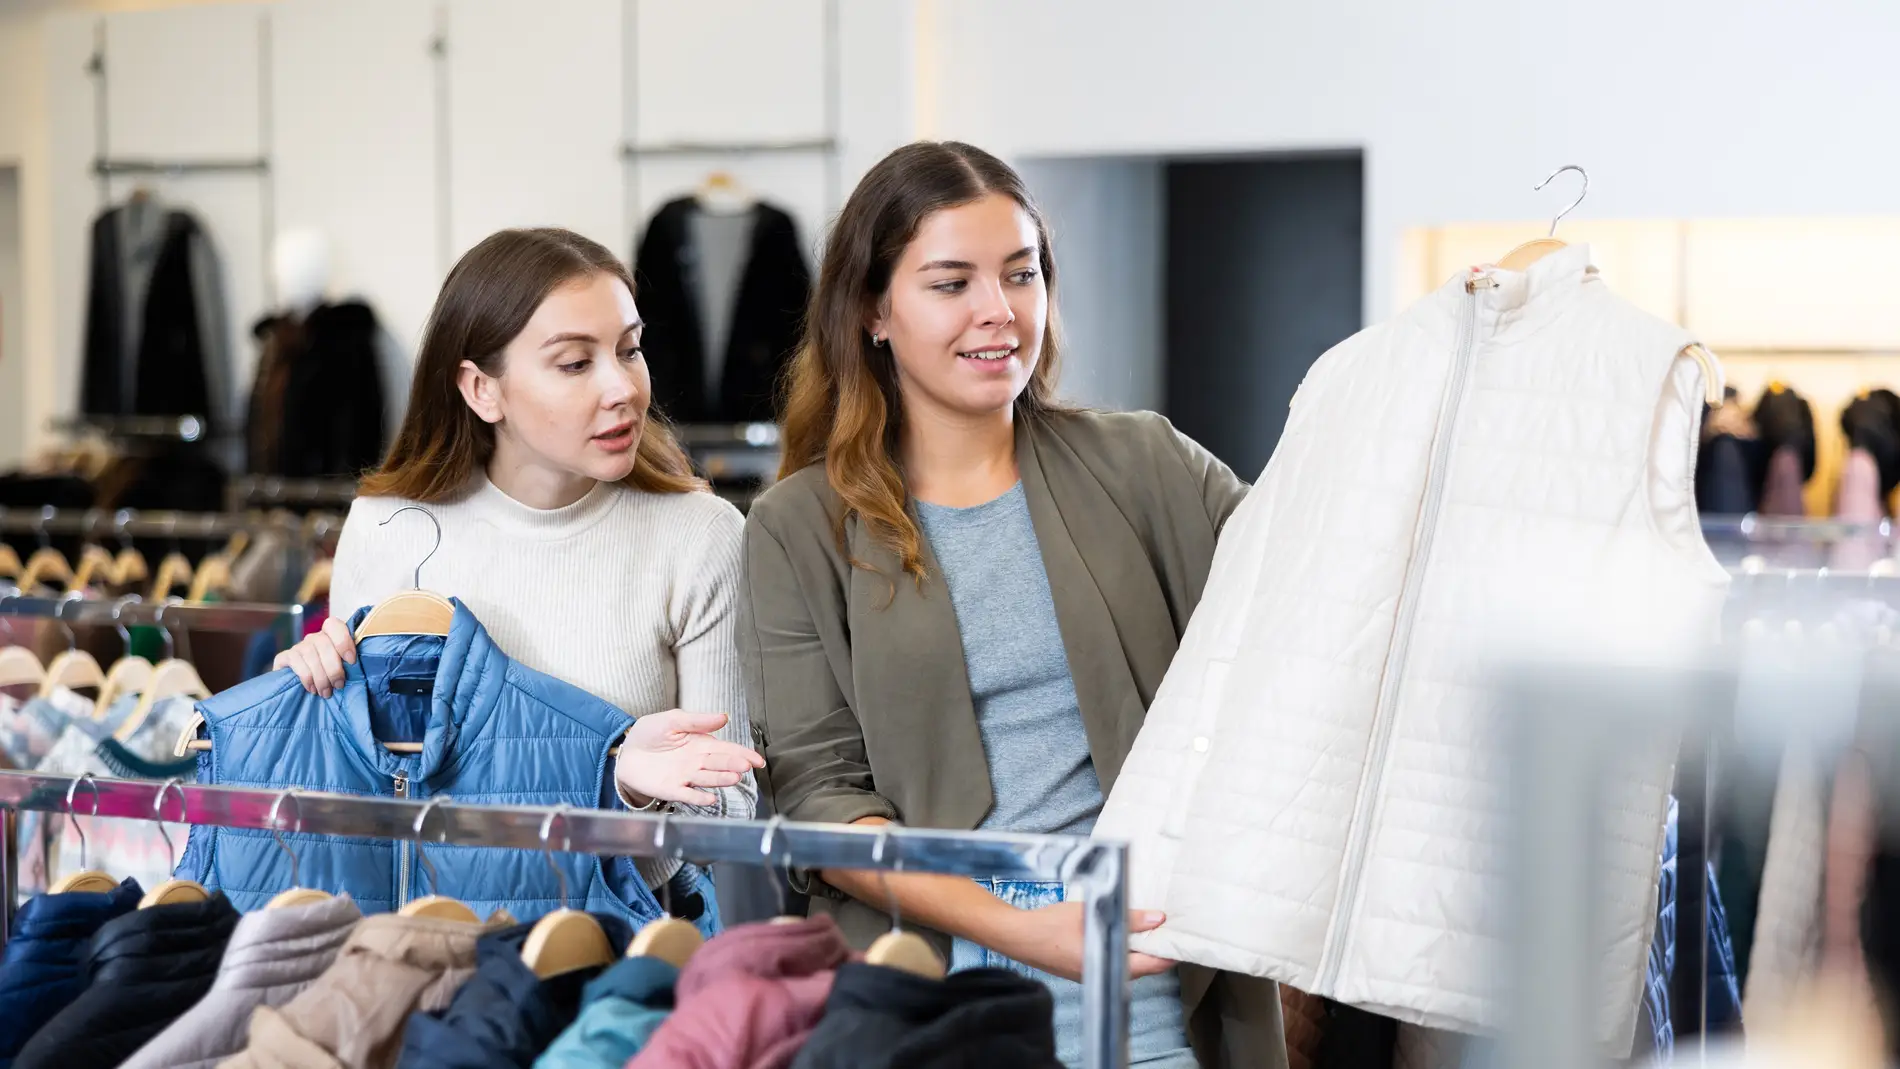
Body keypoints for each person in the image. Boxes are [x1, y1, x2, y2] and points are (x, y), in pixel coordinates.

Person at [738, 142, 1286, 1067]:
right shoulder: (797, 526)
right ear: (873, 310)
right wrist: (1024, 930)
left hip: (1146, 967)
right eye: (952, 283)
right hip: (927, 981)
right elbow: (824, 804)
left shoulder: (1144, 463)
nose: (1000, 312)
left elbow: (1309, 594)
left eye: (1021, 274)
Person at [272, 227, 765, 910]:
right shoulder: (390, 528)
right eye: (574, 363)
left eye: (630, 349)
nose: (621, 387)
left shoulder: (701, 537)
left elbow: (731, 812)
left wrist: (635, 788)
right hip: (429, 935)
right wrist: (306, 701)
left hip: (622, 948)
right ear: (481, 389)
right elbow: (365, 792)